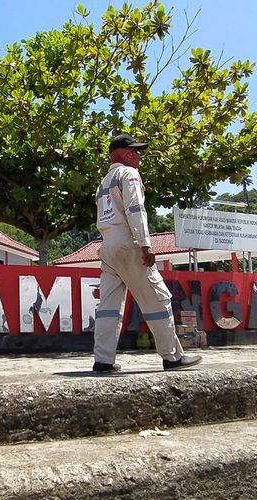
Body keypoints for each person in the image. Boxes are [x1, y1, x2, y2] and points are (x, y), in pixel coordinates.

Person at [92, 134, 202, 374]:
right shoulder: (128, 174)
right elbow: (135, 209)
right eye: (135, 151)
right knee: (157, 299)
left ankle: (103, 361)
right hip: (129, 243)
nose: (139, 155)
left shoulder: (104, 182)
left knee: (108, 307)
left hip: (107, 245)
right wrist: (145, 244)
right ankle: (172, 357)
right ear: (122, 153)